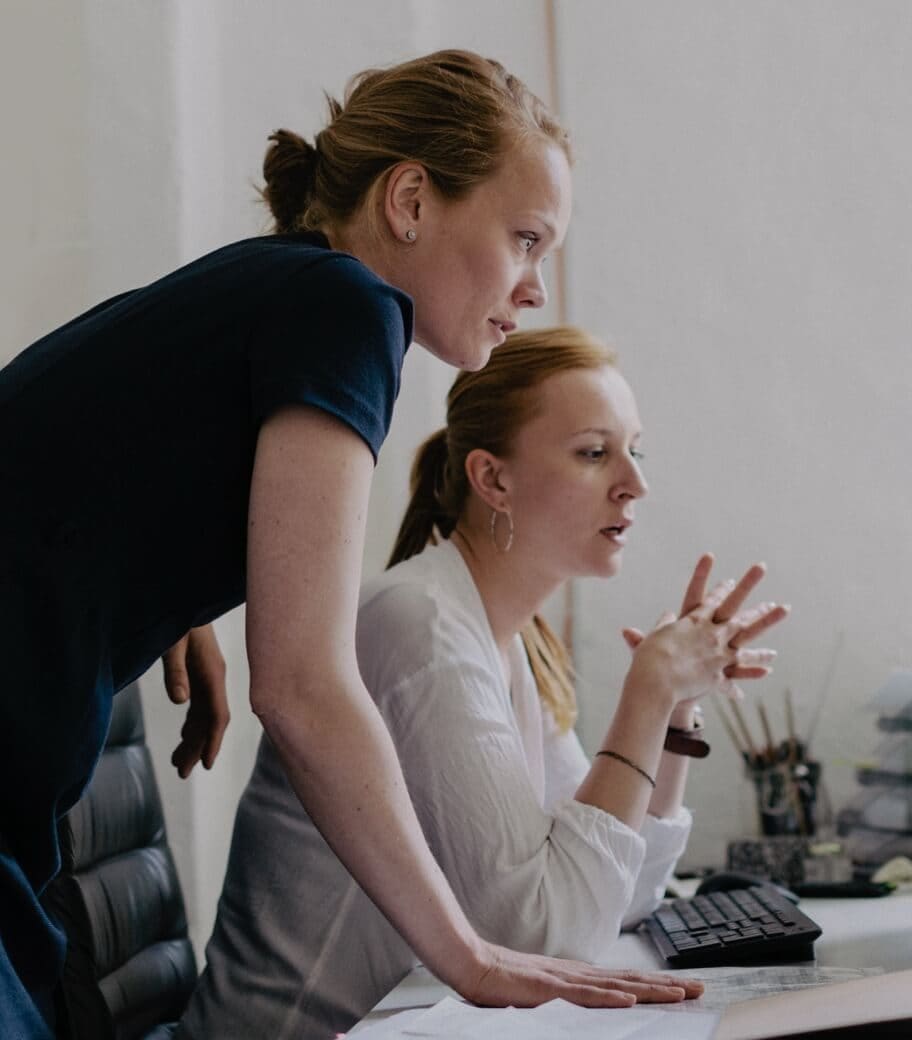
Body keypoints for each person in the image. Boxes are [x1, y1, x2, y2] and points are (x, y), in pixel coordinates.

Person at [0, 51, 711, 1040]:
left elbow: (93, 450)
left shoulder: (282, 289)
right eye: (524, 239)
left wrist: (170, 597)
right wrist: (472, 955)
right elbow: (300, 684)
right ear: (412, 198)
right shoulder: (346, 305)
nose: (535, 286)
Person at [179, 326, 787, 1038]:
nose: (635, 483)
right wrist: (644, 694)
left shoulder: (505, 634)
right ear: (492, 479)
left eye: (635, 449)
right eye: (595, 453)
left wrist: (675, 714)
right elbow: (547, 938)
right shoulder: (423, 630)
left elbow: (616, 898)